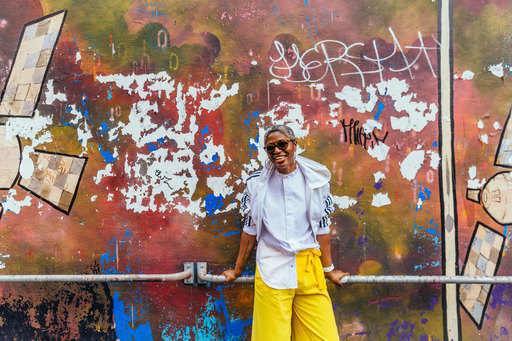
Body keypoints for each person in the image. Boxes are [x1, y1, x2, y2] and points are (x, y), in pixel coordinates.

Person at [222, 124, 349, 341]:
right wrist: (236, 271)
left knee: (324, 337)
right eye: (270, 148)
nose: (277, 151)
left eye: (282, 144)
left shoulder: (316, 181)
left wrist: (329, 270)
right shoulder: (256, 184)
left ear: (294, 144)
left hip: (309, 270)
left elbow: (322, 229)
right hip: (272, 268)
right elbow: (249, 230)